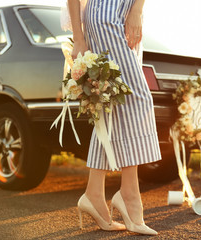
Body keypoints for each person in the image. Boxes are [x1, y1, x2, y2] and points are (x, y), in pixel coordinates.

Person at [67, 0, 161, 235]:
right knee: (136, 99)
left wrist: (136, 9)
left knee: (112, 102)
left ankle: (94, 194)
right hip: (107, 14)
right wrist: (79, 38)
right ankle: (129, 195)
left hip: (121, 13)